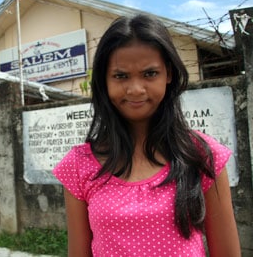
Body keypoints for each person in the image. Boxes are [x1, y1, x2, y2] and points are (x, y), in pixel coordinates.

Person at [53, 14, 241, 257]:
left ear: (169, 74)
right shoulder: (79, 165)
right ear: (104, 80)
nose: (136, 89)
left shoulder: (202, 155)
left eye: (150, 74)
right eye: (121, 76)